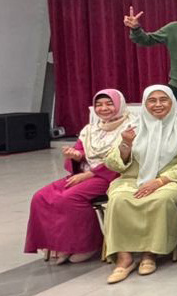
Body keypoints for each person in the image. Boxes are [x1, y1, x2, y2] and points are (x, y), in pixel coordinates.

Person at [24, 89, 131, 264]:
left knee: (69, 198)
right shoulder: (90, 129)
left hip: (111, 176)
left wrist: (90, 174)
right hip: (84, 173)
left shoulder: (130, 127)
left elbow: (124, 159)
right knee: (41, 197)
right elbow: (82, 151)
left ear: (119, 105)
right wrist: (76, 155)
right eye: (99, 105)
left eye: (109, 103)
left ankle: (87, 245)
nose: (104, 108)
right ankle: (61, 245)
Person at [102, 86, 177, 284]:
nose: (158, 105)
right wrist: (125, 144)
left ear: (172, 102)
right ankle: (124, 258)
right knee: (119, 199)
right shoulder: (133, 127)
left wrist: (161, 181)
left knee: (161, 199)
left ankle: (150, 254)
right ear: (145, 104)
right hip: (133, 178)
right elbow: (112, 162)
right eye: (152, 101)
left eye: (163, 100)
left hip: (169, 179)